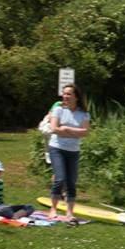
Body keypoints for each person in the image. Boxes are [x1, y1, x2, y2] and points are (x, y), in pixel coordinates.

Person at [47, 84, 90, 222]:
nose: (65, 96)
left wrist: (65, 129)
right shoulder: (58, 110)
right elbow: (54, 129)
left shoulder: (83, 114)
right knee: (59, 178)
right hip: (56, 148)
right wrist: (73, 131)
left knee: (71, 181)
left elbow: (85, 132)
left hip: (73, 151)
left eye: (69, 94)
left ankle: (69, 212)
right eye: (64, 94)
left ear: (76, 96)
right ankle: (53, 209)